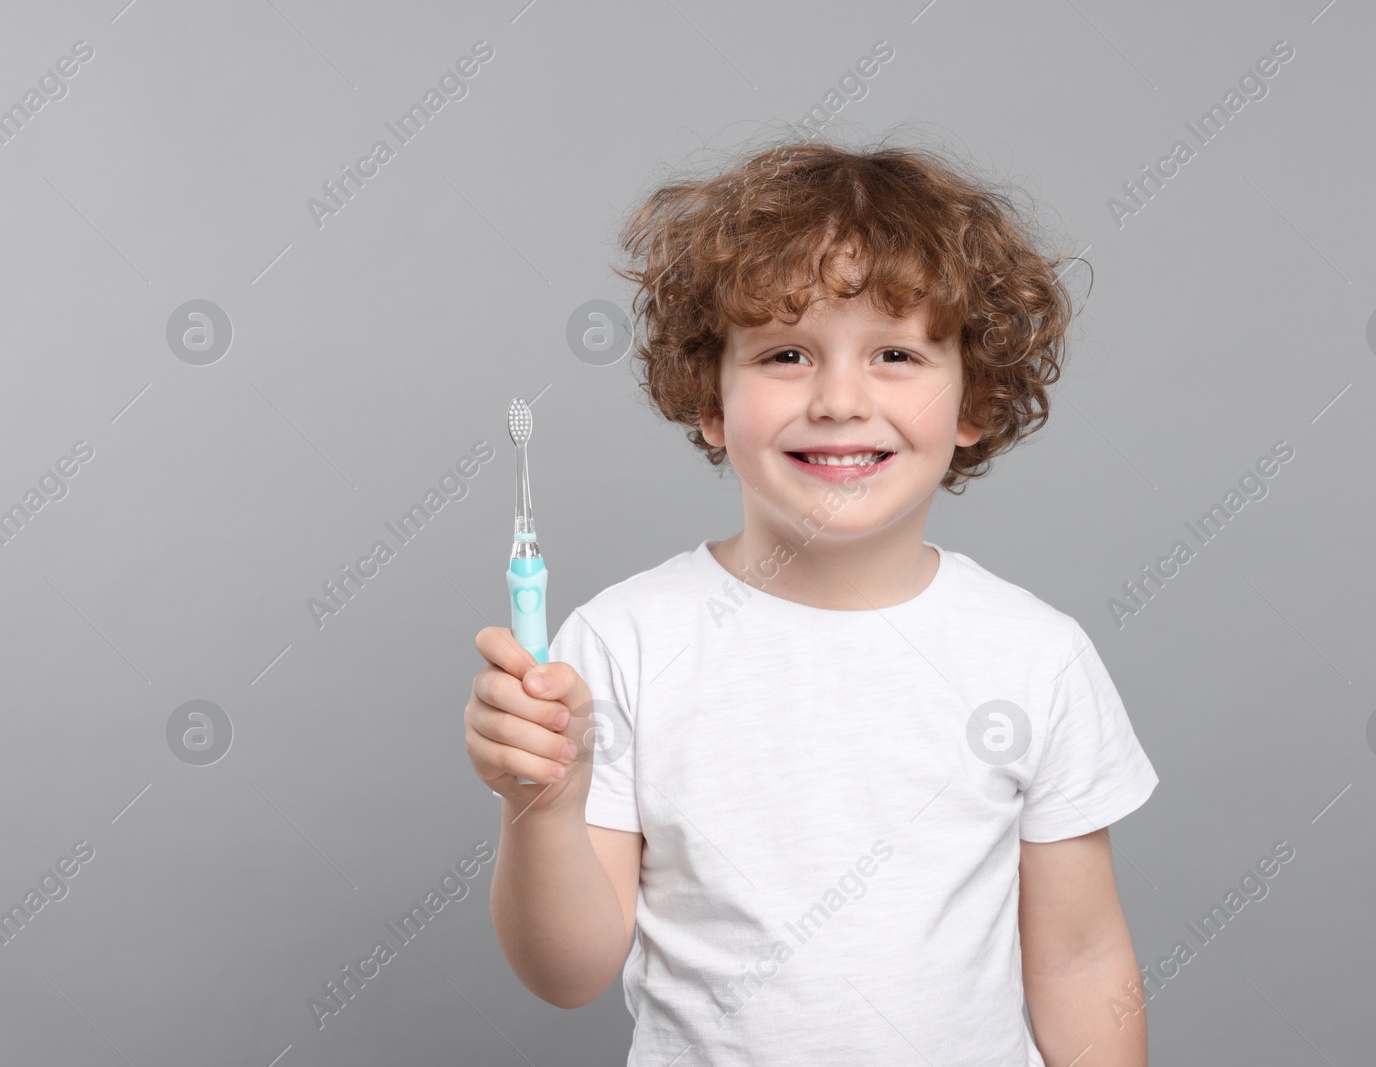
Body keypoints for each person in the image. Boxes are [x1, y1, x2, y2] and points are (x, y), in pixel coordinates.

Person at [463, 135, 1160, 1066]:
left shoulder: (1037, 656)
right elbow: (567, 972)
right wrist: (543, 807)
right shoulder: (621, 644)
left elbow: (1080, 961)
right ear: (710, 399)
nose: (838, 399)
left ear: (974, 400)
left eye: (897, 356)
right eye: (787, 353)